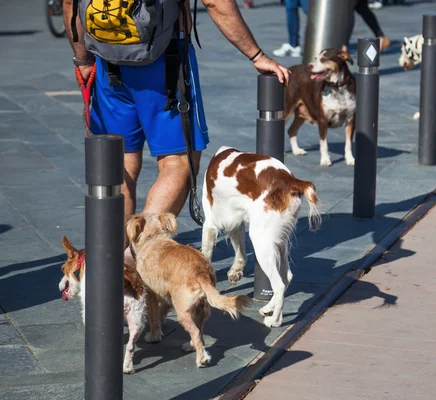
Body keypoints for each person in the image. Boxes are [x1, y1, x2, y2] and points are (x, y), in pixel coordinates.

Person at [62, 0, 290, 265]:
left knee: (119, 162)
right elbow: (214, 2)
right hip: (166, 64)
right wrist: (257, 55)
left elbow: (70, 2)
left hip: (107, 62)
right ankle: (137, 259)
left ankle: (108, 263)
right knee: (177, 162)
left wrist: (82, 59)